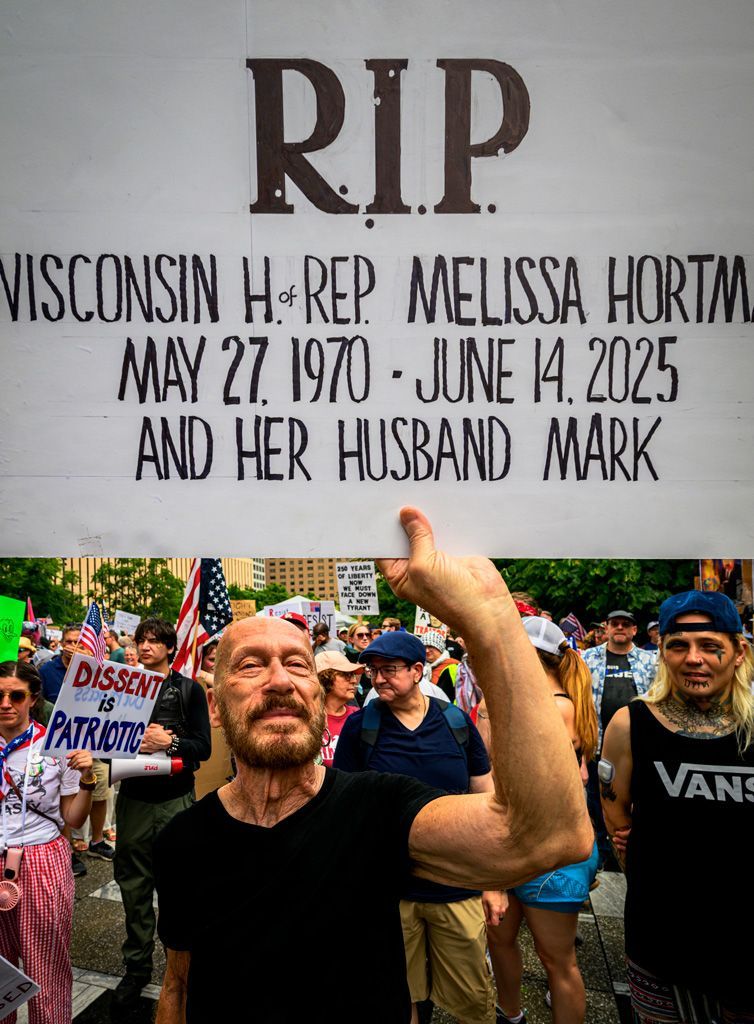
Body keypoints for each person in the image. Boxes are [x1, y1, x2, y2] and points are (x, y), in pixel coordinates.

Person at [153, 507, 592, 1024]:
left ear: (319, 698)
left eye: (298, 664)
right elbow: (178, 988)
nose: (279, 680)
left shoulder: (378, 807)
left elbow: (551, 837)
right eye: (250, 665)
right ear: (216, 709)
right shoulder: (182, 840)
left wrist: (491, 617)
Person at [601, 590, 754, 1022]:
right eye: (678, 646)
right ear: (662, 653)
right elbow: (616, 817)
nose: (694, 659)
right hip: (660, 941)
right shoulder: (630, 724)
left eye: (710, 646)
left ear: (738, 652)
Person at [334, 631, 499, 1024]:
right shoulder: (361, 728)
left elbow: (486, 802)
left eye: (389, 670)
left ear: (417, 671)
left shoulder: (456, 723)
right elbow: (342, 804)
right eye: (373, 671)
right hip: (390, 891)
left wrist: (495, 882)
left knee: (473, 1002)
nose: (378, 679)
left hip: (457, 888)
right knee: (398, 996)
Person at [485, 617, 599, 1024]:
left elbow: (519, 781)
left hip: (549, 852)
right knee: (500, 941)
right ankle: (510, 1014)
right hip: (518, 843)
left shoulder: (555, 707)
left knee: (558, 961)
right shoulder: (534, 701)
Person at [113, 618, 211, 1008]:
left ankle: (180, 970)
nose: (147, 646)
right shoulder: (120, 689)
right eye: (142, 640)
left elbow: (202, 747)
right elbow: (102, 740)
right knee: (134, 890)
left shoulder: (188, 690)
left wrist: (168, 743)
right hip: (134, 799)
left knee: (179, 888)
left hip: (175, 799)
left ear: (170, 647)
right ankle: (135, 970)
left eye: (155, 641)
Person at [0, 660, 95, 1024]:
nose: (6, 703)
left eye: (16, 695)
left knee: (46, 965)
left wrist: (87, 778)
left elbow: (73, 818)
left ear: (33, 698)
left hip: (41, 858)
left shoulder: (57, 745)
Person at [582, 610, 656, 865]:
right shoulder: (588, 658)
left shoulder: (650, 661)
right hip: (598, 745)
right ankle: (605, 853)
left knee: (638, 797)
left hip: (640, 746)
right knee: (598, 800)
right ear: (606, 628)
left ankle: (633, 847)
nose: (620, 628)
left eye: (626, 624)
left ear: (635, 630)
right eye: (615, 624)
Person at [316, 651, 364, 767]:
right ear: (325, 678)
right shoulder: (308, 719)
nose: (354, 680)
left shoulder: (359, 716)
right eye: (346, 675)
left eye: (353, 675)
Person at [420, 629, 460, 701]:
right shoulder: (424, 667)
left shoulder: (454, 665)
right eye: (424, 647)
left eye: (430, 646)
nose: (427, 650)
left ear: (439, 648)